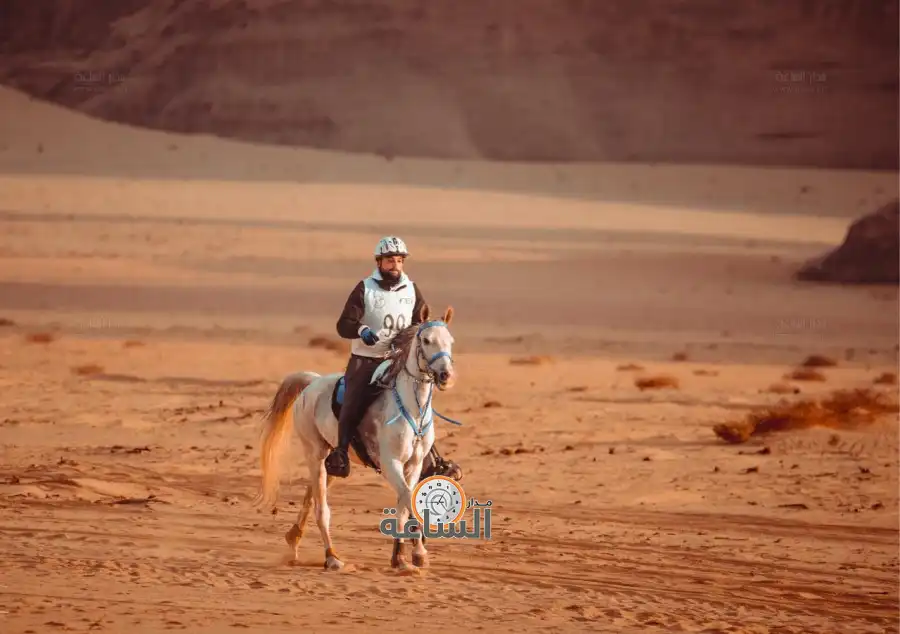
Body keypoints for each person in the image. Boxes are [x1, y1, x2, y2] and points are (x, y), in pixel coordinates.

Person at [324, 236, 462, 481]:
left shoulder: (410, 288)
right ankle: (340, 452)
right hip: (366, 360)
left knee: (419, 404)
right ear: (379, 262)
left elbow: (420, 324)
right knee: (354, 400)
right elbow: (343, 324)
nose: (395, 265)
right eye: (390, 260)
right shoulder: (365, 288)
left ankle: (434, 459)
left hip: (398, 359)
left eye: (399, 260)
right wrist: (361, 330)